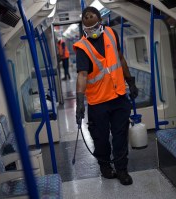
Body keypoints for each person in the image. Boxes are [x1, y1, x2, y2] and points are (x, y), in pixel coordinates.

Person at [73, 7, 138, 185]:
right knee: (101, 139)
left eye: (93, 23)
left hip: (118, 97)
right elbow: (82, 75)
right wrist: (79, 103)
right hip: (98, 102)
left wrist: (130, 81)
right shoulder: (82, 47)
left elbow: (120, 58)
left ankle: (122, 170)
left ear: (100, 21)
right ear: (83, 27)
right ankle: (105, 167)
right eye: (87, 26)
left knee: (120, 135)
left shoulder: (111, 33)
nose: (91, 30)